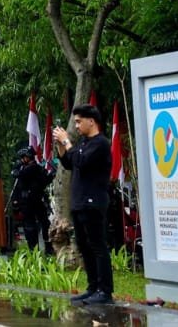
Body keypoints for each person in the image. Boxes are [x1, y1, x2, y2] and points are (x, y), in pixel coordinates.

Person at [54, 103, 113, 304]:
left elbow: (82, 161)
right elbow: (69, 163)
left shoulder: (101, 143)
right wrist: (61, 145)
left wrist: (68, 143)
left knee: (98, 246)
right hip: (79, 203)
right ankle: (92, 287)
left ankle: (105, 291)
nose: (76, 126)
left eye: (79, 121)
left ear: (91, 121)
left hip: (93, 202)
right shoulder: (83, 143)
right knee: (84, 246)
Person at [10, 146, 52, 254]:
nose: (22, 160)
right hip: (29, 201)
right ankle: (37, 249)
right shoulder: (27, 168)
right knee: (34, 225)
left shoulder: (33, 168)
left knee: (36, 224)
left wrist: (17, 170)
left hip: (33, 201)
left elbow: (21, 174)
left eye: (23, 157)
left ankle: (42, 248)